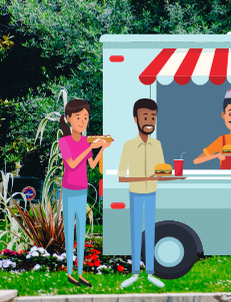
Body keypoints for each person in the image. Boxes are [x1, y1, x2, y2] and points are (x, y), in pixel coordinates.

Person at [58, 99, 111, 287]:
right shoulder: (64, 141)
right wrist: (90, 146)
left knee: (81, 232)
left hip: (82, 190)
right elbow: (71, 164)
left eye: (86, 118)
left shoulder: (84, 141)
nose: (82, 121)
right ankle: (70, 272)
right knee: (69, 232)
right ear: (69, 119)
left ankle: (80, 273)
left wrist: (102, 148)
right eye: (78, 117)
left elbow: (93, 165)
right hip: (69, 189)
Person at [117, 98, 165, 288]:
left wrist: (164, 176)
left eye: (153, 117)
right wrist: (145, 178)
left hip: (152, 194)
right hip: (135, 194)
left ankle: (151, 273)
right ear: (136, 119)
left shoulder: (157, 145)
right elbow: (121, 177)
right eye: (145, 116)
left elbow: (161, 173)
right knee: (136, 233)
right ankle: (135, 273)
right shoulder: (129, 146)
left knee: (151, 233)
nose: (150, 121)